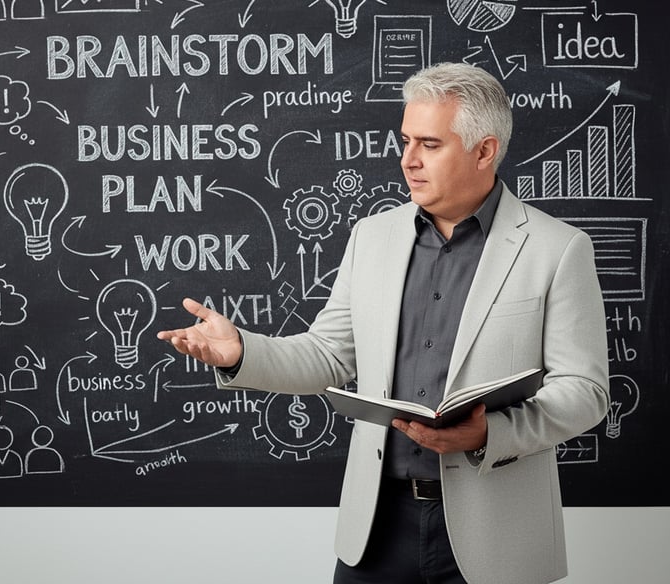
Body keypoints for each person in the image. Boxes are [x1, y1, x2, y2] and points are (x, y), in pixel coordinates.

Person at [157, 62, 610, 584]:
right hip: (376, 528)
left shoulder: (557, 248)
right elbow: (328, 355)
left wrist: (492, 432)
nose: (408, 160)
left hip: (497, 535)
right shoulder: (371, 237)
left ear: (484, 151)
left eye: (430, 145)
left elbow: (585, 391)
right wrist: (242, 351)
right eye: (405, 140)